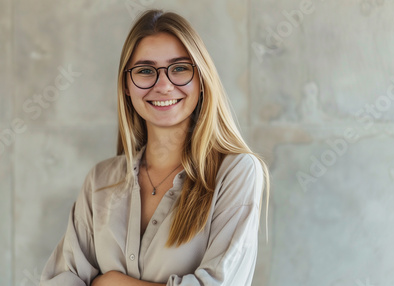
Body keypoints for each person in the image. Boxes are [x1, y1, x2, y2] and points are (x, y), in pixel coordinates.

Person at [40, 9, 270, 286]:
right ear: (126, 85)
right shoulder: (100, 181)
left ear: (201, 80)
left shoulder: (236, 172)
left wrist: (109, 281)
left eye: (180, 68)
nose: (163, 85)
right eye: (145, 71)